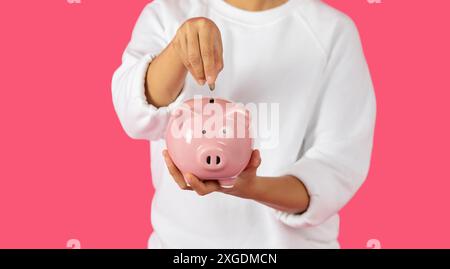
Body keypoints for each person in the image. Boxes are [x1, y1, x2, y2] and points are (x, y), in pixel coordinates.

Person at [112, 0, 376, 248]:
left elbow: (336, 168)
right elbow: (134, 115)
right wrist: (177, 51)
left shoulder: (331, 32)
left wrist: (252, 188)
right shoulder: (168, 12)